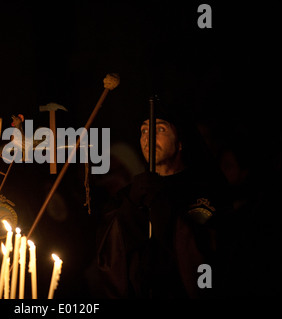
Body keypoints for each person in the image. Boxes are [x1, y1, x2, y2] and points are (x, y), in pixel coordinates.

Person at [96, 100, 232, 298]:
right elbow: (109, 259)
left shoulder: (204, 190)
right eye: (143, 131)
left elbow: (207, 253)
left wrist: (164, 207)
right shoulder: (128, 196)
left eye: (160, 129)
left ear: (181, 140)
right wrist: (131, 208)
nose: (148, 137)